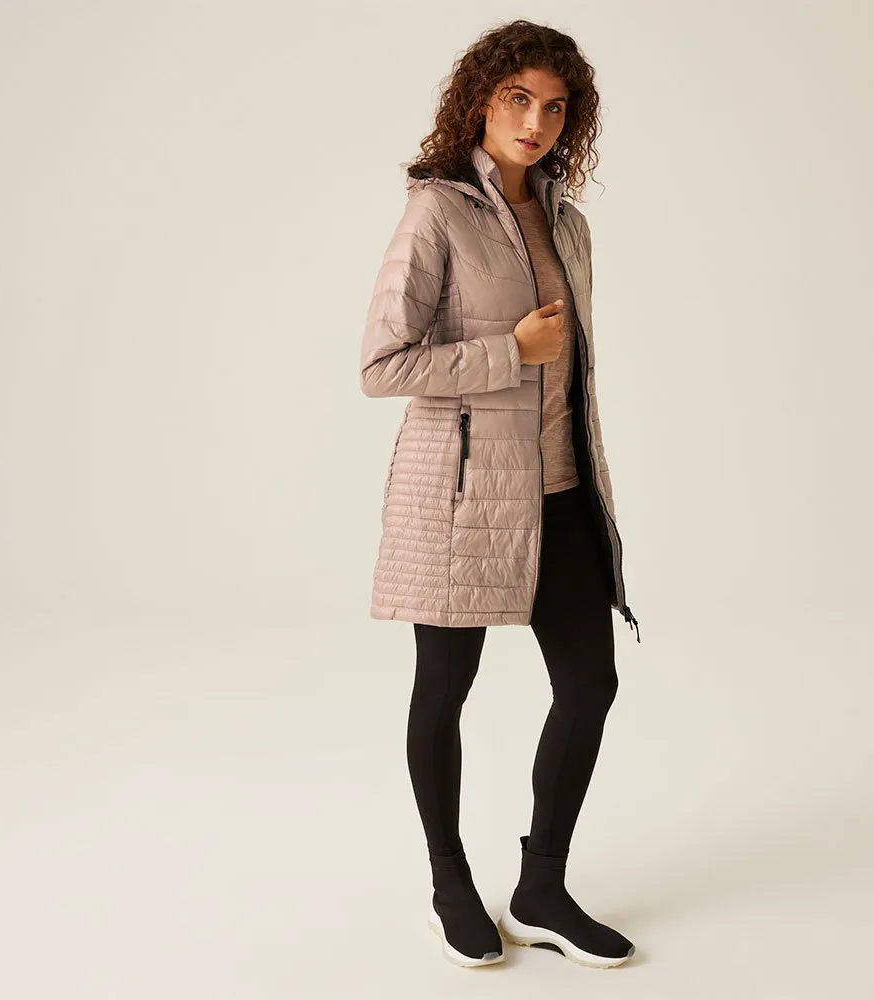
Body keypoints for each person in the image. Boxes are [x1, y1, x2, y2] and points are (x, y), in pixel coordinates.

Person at [358, 19, 640, 969]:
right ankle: (450, 883)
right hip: (459, 498)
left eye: (555, 107)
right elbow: (381, 366)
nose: (535, 121)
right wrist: (506, 353)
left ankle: (541, 887)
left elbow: (576, 373)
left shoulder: (567, 223)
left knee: (590, 685)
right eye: (518, 98)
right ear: (481, 100)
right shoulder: (435, 214)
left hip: (560, 490)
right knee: (445, 689)